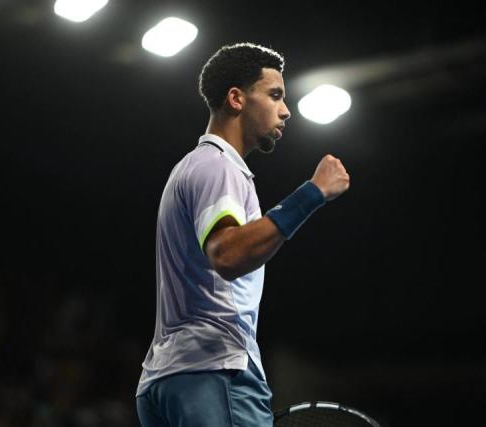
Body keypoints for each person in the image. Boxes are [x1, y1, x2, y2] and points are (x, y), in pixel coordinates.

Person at [136, 42, 350, 427]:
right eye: (274, 95)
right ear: (236, 98)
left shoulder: (189, 168)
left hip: (163, 383)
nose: (285, 110)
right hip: (216, 369)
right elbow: (228, 255)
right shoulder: (220, 167)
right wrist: (312, 194)